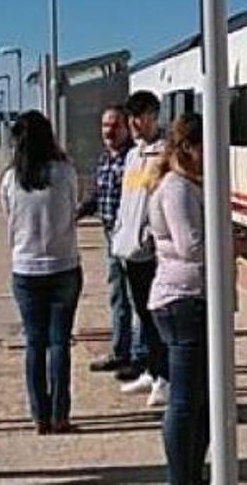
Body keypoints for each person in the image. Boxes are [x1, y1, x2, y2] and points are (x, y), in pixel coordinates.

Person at [0, 111, 83, 434]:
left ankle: (40, 416)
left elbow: (9, 217)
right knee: (59, 343)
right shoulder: (65, 172)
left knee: (35, 343)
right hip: (64, 266)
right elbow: (73, 207)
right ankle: (61, 414)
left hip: (25, 268)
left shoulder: (10, 179)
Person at [148, 113, 209, 485]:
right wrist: (229, 241)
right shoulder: (177, 188)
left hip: (189, 297)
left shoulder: (186, 184)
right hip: (181, 299)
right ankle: (180, 477)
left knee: (200, 398)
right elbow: (192, 247)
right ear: (187, 147)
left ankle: (190, 472)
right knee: (185, 400)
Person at [110, 90, 169, 406]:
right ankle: (151, 368)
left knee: (157, 315)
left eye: (139, 116)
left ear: (153, 116)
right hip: (128, 248)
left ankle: (164, 376)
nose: (133, 123)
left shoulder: (164, 154)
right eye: (130, 116)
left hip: (151, 251)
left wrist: (149, 236)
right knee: (143, 315)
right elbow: (128, 200)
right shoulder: (133, 155)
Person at [76, 105, 142, 381]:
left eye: (114, 125)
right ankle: (120, 351)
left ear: (126, 127)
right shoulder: (105, 159)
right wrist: (75, 214)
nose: (109, 131)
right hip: (110, 235)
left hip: (130, 236)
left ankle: (140, 357)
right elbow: (96, 196)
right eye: (105, 126)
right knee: (117, 295)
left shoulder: (134, 159)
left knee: (135, 297)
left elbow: (138, 197)